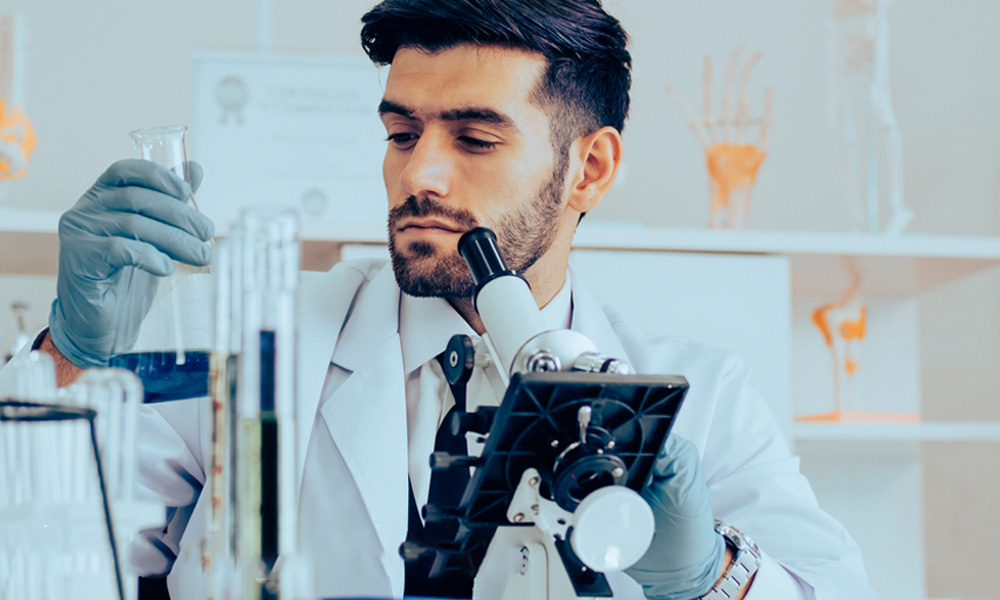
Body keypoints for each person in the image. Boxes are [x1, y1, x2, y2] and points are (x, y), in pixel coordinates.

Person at [0, 0, 880, 598]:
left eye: (474, 138)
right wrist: (68, 359)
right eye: (401, 132)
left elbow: (830, 586)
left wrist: (706, 574)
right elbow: (45, 566)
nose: (417, 173)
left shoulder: (704, 394)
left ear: (592, 167)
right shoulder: (248, 339)